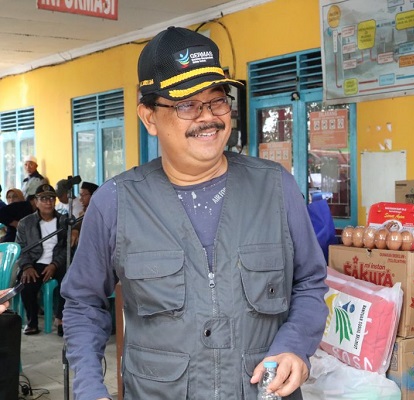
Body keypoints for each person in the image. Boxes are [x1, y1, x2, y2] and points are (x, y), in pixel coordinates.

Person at [61, 26, 329, 400]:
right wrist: (90, 388)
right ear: (149, 117)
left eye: (217, 101)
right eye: (186, 104)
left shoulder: (275, 187)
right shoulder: (116, 202)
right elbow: (83, 304)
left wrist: (295, 345)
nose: (208, 118)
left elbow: (310, 282)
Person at [16, 184, 68, 336]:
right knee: (27, 283)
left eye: (51, 198)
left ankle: (61, 319)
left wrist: (54, 264)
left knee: (69, 280)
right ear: (36, 202)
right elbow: (20, 248)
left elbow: (67, 249)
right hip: (34, 262)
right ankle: (32, 322)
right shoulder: (25, 223)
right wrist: (26, 266)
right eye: (43, 199)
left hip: (57, 262)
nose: (48, 202)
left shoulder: (64, 221)